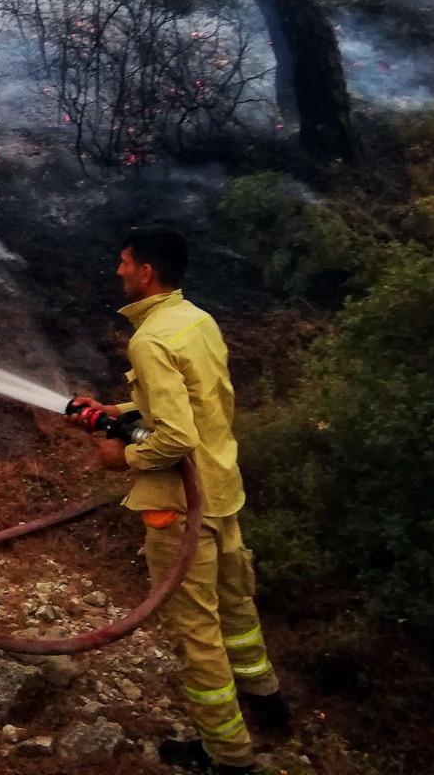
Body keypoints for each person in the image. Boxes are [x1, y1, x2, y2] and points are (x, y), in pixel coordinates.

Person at [70, 225, 289, 775]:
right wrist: (115, 413)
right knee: (237, 608)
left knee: (198, 630)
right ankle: (267, 705)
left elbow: (173, 438)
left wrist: (122, 457)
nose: (118, 270)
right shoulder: (195, 321)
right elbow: (192, 404)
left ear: (146, 271)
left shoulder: (149, 341)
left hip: (180, 507)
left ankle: (229, 758)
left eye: (124, 263)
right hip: (222, 491)